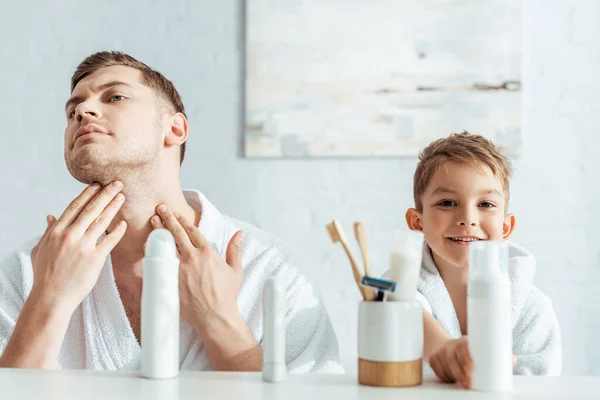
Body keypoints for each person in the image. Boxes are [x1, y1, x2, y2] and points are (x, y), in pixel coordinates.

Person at [0, 51, 342, 373]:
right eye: (72, 109)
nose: (83, 110)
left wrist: (218, 319)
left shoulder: (271, 270)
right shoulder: (27, 271)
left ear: (175, 129)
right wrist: (48, 300)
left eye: (115, 97)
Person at [403, 132, 561, 387]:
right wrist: (448, 352)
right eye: (447, 202)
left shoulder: (533, 310)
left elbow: (540, 388)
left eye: (486, 204)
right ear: (416, 221)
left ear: (506, 226)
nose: (468, 218)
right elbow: (403, 313)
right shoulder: (399, 287)